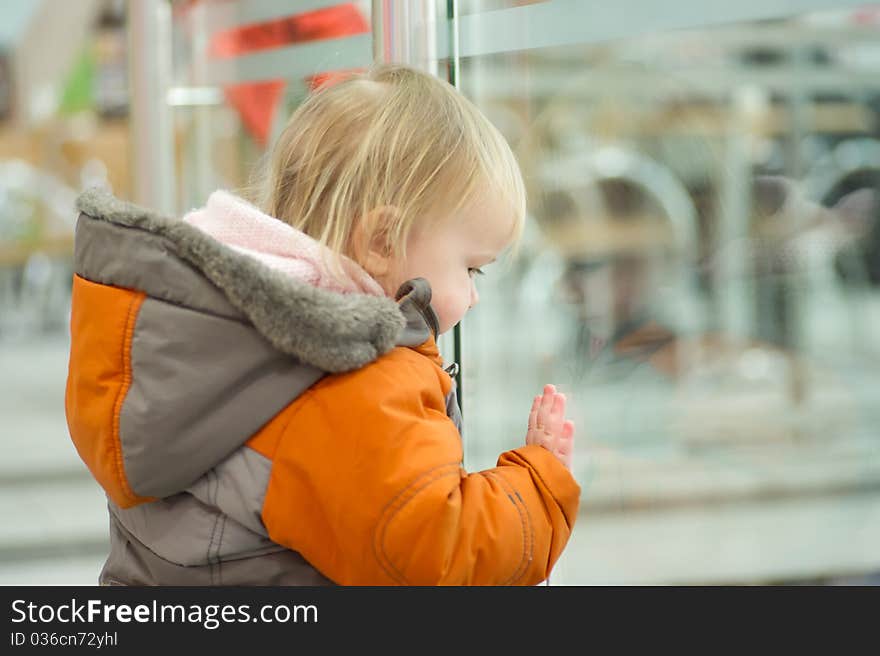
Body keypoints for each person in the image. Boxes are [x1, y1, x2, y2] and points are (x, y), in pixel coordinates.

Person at [65, 64, 580, 586]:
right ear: (382, 242)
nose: (472, 296)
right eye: (471, 268)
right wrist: (537, 483)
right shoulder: (343, 380)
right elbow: (433, 555)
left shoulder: (220, 334)